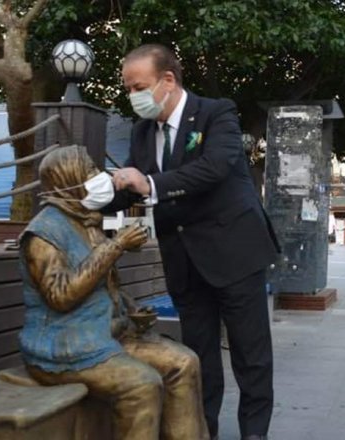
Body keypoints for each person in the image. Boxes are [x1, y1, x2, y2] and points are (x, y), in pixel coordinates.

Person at [107, 44, 279, 440]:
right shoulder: (142, 131)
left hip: (235, 251)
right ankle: (203, 430)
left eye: (140, 86)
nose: (134, 96)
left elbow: (214, 168)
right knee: (198, 358)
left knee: (250, 355)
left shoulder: (217, 112)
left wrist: (149, 183)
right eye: (128, 88)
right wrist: (93, 193)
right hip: (183, 258)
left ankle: (255, 433)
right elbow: (132, 190)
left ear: (168, 80)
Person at [20, 146, 209, 439]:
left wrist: (127, 308)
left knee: (184, 363)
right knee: (142, 385)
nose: (99, 177)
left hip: (104, 334)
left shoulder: (85, 218)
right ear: (67, 180)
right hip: (64, 345)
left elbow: (99, 287)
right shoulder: (43, 233)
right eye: (90, 172)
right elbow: (61, 296)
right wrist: (115, 246)